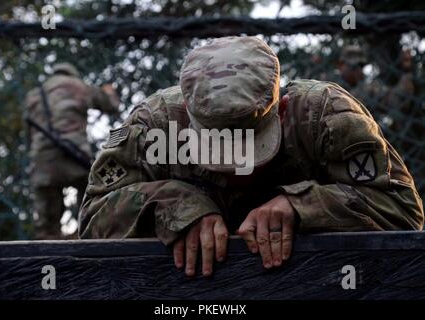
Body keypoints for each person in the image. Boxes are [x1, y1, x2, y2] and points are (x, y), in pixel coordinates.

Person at [78, 37, 424, 276]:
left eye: (250, 149)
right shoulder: (153, 124)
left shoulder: (326, 116)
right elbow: (93, 223)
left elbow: (404, 212)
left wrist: (301, 205)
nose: (236, 170)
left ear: (283, 109)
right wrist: (174, 204)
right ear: (187, 112)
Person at [25, 62, 120, 239]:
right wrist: (109, 91)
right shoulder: (80, 87)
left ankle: (47, 257)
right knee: (89, 206)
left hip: (43, 159)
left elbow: (29, 133)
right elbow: (111, 105)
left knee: (46, 228)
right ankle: (87, 240)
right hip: (75, 155)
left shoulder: (34, 94)